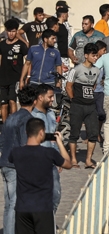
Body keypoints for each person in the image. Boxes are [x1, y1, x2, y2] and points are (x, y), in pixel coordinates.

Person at [10, 117, 74, 234]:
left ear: (26, 132)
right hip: (43, 208)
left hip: (22, 208)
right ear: (41, 132)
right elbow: (68, 164)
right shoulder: (49, 153)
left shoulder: (16, 152)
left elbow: (11, 158)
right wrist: (59, 143)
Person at [1, 86, 37, 234]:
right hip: (16, 166)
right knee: (14, 204)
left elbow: (2, 141)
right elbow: (25, 144)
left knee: (8, 203)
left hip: (5, 162)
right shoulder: (28, 119)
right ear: (34, 101)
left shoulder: (10, 117)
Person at [66, 44, 102, 168]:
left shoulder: (97, 70)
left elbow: (94, 86)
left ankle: (88, 160)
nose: (95, 58)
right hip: (77, 105)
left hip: (91, 106)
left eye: (97, 56)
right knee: (74, 133)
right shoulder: (76, 70)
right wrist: (73, 100)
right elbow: (68, 86)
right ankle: (73, 159)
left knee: (93, 133)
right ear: (86, 56)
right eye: (93, 55)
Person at [30, 84, 61, 210]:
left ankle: (49, 220)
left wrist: (58, 158)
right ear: (40, 97)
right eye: (50, 97)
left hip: (51, 163)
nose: (53, 99)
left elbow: (53, 138)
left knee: (55, 197)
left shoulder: (51, 114)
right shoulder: (31, 115)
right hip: (36, 163)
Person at [0, 18, 27, 121]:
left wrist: (25, 77)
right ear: (6, 31)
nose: (11, 34)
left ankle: (13, 125)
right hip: (3, 78)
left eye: (13, 31)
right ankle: (5, 127)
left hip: (15, 78)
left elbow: (28, 62)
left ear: (16, 31)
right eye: (9, 31)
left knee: (12, 101)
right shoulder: (2, 44)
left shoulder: (21, 45)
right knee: (4, 104)